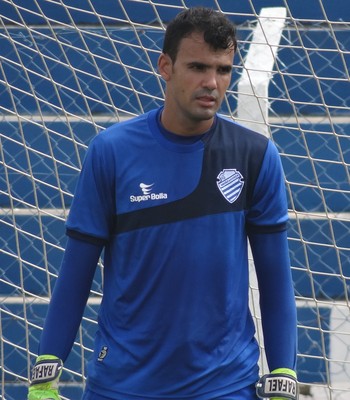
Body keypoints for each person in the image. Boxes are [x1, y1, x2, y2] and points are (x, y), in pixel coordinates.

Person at [28, 6, 298, 400]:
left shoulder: (256, 155)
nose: (212, 82)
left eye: (223, 70)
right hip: (122, 386)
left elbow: (275, 280)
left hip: (225, 386)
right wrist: (46, 370)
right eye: (198, 67)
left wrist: (284, 372)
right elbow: (76, 274)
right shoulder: (111, 152)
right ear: (165, 66)